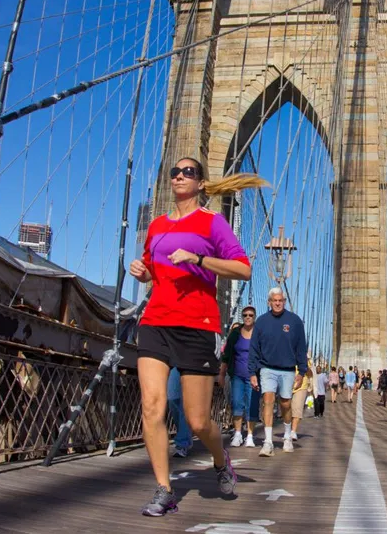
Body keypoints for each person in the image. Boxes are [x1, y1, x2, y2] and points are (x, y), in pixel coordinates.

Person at [128, 157, 265, 517]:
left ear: (201, 183)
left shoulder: (211, 222)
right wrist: (141, 271)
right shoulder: (156, 225)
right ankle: (164, 489)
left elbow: (243, 269)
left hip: (197, 324)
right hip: (155, 321)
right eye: (174, 171)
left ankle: (221, 461)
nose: (178, 176)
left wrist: (199, 260)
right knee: (152, 406)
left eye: (188, 172)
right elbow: (152, 271)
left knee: (199, 420)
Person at [248, 287, 308, 456]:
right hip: (267, 368)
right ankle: (268, 443)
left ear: (284, 301)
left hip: (288, 370)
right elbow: (254, 348)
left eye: (280, 300)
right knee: (268, 400)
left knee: (286, 404)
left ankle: (287, 436)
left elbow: (301, 348)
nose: (277, 303)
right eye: (274, 300)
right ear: (269, 302)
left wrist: (301, 371)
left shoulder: (295, 321)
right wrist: (252, 372)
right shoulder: (261, 321)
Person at [219, 308, 260, 448]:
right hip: (237, 375)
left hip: (254, 376)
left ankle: (249, 435)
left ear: (255, 317)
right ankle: (237, 434)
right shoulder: (235, 333)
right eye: (245, 315)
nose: (248, 317)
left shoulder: (259, 333)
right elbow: (226, 355)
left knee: (251, 405)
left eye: (250, 315)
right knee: (236, 403)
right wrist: (222, 374)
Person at [167, 367, 193, 458]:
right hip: (175, 362)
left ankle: (183, 443)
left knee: (185, 403)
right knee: (172, 398)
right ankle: (185, 435)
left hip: (192, 363)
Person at [290, 355, 314, 439]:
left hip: (301, 387)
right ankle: (288, 429)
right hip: (288, 384)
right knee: (287, 409)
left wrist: (305, 367)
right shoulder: (288, 355)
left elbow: (311, 374)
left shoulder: (306, 362)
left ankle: (293, 431)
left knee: (297, 408)